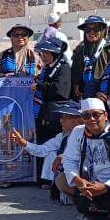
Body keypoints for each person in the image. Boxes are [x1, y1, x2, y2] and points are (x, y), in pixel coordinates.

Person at [60, 98, 110, 220]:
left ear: (106, 115)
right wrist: (78, 180)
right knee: (61, 180)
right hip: (90, 181)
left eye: (96, 114)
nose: (92, 119)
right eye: (87, 115)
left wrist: (106, 187)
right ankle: (88, 208)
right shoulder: (78, 132)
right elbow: (69, 159)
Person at [11, 101, 83, 197]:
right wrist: (23, 142)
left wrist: (64, 157)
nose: (61, 120)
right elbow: (43, 150)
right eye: (61, 117)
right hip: (68, 175)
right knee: (51, 152)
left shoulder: (87, 136)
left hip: (84, 175)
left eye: (65, 117)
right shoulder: (61, 136)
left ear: (78, 119)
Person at [31, 38, 72, 181]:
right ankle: (43, 177)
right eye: (43, 53)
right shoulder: (48, 68)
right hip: (47, 112)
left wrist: (41, 86)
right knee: (44, 143)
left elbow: (62, 90)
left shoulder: (63, 68)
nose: (45, 56)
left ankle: (53, 177)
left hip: (56, 115)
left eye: (48, 53)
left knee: (54, 144)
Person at [71, 16, 109, 99]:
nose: (91, 32)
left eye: (96, 29)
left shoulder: (109, 49)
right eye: (88, 29)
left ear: (102, 30)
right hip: (83, 93)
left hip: (103, 94)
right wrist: (76, 84)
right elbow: (75, 68)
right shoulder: (80, 49)